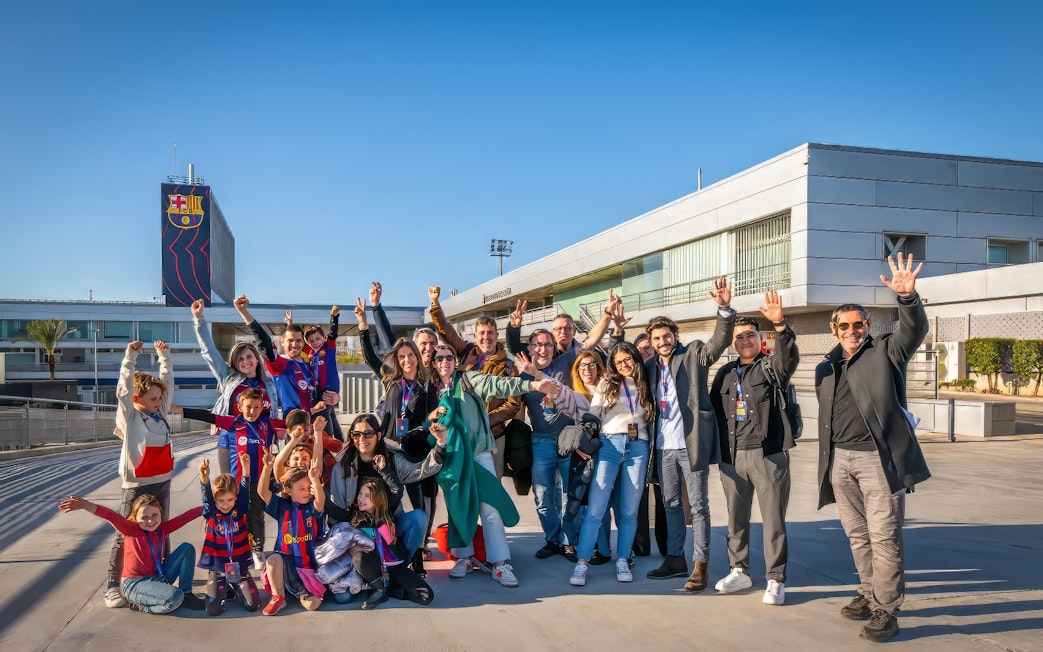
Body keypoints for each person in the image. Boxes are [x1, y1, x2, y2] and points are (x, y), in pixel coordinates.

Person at [816, 253, 930, 643]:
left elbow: (912, 332)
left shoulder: (886, 352)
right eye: (844, 325)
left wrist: (908, 299)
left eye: (858, 324)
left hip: (878, 461)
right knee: (857, 535)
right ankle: (868, 592)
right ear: (834, 329)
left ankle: (887, 609)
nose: (852, 330)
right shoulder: (826, 368)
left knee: (884, 537)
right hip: (840, 460)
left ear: (867, 325)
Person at [430, 344, 558, 588]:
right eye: (439, 358)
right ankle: (464, 557)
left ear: (455, 361)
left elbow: (498, 385)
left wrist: (532, 384)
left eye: (448, 357)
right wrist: (432, 418)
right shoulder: (436, 389)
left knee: (490, 508)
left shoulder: (468, 379)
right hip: (453, 457)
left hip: (478, 454)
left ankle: (500, 564)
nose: (444, 361)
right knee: (459, 508)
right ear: (434, 364)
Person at [644, 276, 735, 592]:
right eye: (656, 338)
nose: (662, 342)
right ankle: (674, 558)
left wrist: (723, 310)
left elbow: (717, 344)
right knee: (670, 503)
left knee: (698, 506)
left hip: (691, 442)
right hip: (664, 446)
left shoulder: (693, 353)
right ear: (652, 342)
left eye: (666, 336)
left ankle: (701, 566)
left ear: (675, 336)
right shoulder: (651, 368)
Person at [709, 290, 798, 606]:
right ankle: (739, 570)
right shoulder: (724, 374)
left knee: (773, 520)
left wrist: (781, 326)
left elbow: (789, 357)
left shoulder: (772, 368)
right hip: (731, 457)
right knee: (736, 519)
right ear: (733, 343)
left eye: (750, 335)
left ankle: (776, 579)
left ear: (760, 339)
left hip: (767, 455)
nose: (745, 340)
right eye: (739, 337)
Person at [357, 297, 440, 576]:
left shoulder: (427, 386)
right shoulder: (390, 380)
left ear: (417, 357)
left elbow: (430, 420)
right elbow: (370, 356)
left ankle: (416, 553)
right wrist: (362, 324)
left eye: (410, 355)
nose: (407, 360)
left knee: (418, 502)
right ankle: (387, 547)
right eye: (402, 356)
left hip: (414, 453)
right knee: (389, 499)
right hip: (389, 448)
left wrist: (429, 429)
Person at [326, 412, 447, 589]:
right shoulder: (343, 467)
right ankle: (369, 573)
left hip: (388, 527)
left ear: (379, 435)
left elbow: (424, 469)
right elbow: (337, 512)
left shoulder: (392, 460)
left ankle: (398, 568)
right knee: (343, 597)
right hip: (359, 533)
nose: (362, 439)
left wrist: (441, 442)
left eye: (368, 433)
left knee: (419, 518)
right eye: (356, 434)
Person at [569, 342, 654, 587]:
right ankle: (582, 561)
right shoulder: (608, 383)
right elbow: (593, 414)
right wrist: (582, 441)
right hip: (610, 445)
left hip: (638, 447)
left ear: (635, 358)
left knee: (629, 510)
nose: (624, 365)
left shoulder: (645, 381)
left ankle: (623, 558)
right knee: (596, 508)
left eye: (628, 359)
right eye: (618, 362)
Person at [177, 388, 287, 571]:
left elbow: (290, 421)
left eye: (256, 407)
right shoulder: (232, 423)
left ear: (262, 408)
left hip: (260, 481)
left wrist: (311, 416)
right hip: (238, 482)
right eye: (248, 407)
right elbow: (208, 417)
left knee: (257, 515)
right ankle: (240, 549)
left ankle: (258, 551)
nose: (252, 411)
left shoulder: (267, 423)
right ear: (239, 407)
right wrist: (179, 410)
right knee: (238, 517)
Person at [105, 340, 175, 609]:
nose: (159, 402)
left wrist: (164, 356)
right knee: (126, 532)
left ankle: (161, 576)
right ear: (137, 398)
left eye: (160, 398)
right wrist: (129, 358)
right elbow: (123, 391)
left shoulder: (161, 411)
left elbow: (167, 383)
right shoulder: (131, 416)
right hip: (136, 483)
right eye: (153, 398)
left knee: (162, 530)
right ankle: (113, 584)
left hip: (162, 480)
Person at [428, 284, 523, 477]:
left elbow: (513, 405)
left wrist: (486, 420)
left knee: (491, 489)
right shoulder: (466, 353)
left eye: (490, 333)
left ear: (497, 336)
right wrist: (435, 305)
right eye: (482, 333)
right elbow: (447, 332)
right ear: (475, 336)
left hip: (493, 436)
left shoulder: (508, 366)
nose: (486, 337)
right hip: (462, 435)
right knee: (465, 487)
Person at [60, 494, 204, 614]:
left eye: (155, 515)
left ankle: (187, 593)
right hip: (135, 584)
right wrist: (86, 505)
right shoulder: (130, 529)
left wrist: (210, 507)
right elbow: (110, 515)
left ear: (161, 514)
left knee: (187, 548)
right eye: (144, 517)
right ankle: (139, 606)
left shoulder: (162, 529)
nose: (150, 521)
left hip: (158, 576)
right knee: (174, 598)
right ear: (135, 517)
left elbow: (187, 516)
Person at [191, 298, 281, 443]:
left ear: (257, 359)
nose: (246, 362)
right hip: (231, 438)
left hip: (263, 440)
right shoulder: (228, 377)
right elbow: (209, 351)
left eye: (249, 357)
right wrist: (198, 319)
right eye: (240, 359)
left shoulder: (268, 384)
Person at [257, 452, 327, 616]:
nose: (306, 492)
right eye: (301, 489)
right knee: (273, 559)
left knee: (312, 605)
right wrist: (267, 467)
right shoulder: (282, 506)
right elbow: (262, 491)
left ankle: (299, 591)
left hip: (306, 567)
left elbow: (321, 501)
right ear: (288, 489)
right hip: (284, 564)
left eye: (308, 488)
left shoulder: (311, 507)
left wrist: (315, 480)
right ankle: (278, 596)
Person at [349, 479, 435, 609]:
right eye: (360, 494)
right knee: (359, 558)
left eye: (367, 496)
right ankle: (379, 590)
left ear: (378, 500)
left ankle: (392, 591)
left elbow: (397, 490)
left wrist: (385, 470)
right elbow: (334, 512)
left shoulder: (386, 517)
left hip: (394, 568)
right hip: (374, 568)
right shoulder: (356, 518)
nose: (361, 498)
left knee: (427, 596)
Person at [197, 454, 261, 615]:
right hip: (218, 566)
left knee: (253, 605)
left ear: (235, 499)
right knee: (214, 609)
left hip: (238, 566)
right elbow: (206, 500)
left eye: (230, 500)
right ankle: (222, 584)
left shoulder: (239, 510)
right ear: (215, 500)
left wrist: (245, 470)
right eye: (221, 501)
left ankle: (235, 584)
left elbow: (244, 492)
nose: (225, 505)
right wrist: (205, 480)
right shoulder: (211, 512)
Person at [299, 305, 345, 441]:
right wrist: (289, 324)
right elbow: (299, 345)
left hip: (330, 391)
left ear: (323, 338)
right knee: (331, 415)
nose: (315, 343)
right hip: (319, 392)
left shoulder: (328, 348)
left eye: (318, 339)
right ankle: (341, 442)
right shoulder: (311, 354)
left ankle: (327, 440)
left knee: (323, 416)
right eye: (311, 341)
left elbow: (332, 333)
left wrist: (334, 317)